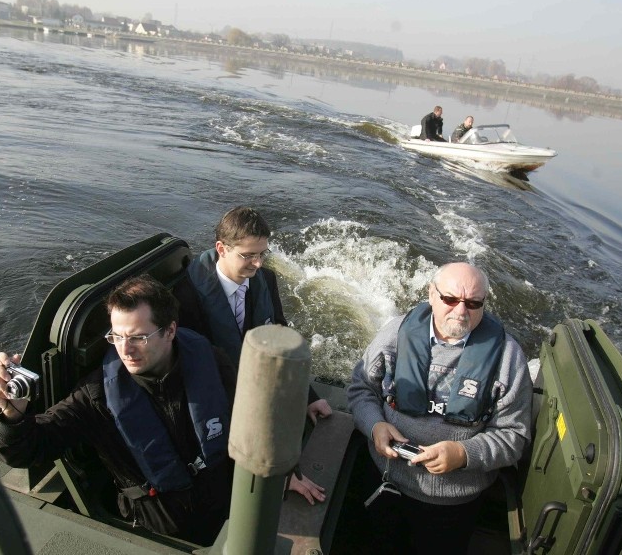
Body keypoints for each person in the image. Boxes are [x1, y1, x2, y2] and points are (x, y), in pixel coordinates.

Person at [0, 275, 237, 545]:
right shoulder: (96, 396)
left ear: (170, 331)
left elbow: (249, 421)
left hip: (225, 507)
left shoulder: (210, 361)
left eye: (138, 337)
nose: (125, 350)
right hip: (162, 531)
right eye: (116, 336)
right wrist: (12, 414)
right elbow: (28, 449)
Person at [346, 262, 532, 554]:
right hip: (384, 480)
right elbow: (361, 389)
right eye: (450, 299)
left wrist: (463, 454)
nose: (461, 311)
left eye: (473, 303)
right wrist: (374, 425)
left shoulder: (508, 359)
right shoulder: (394, 334)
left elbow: (513, 436)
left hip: (452, 506)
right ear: (431, 294)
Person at [173, 206, 332, 504]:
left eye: (263, 254)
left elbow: (280, 341)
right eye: (248, 255)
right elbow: (195, 374)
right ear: (221, 248)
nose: (258, 264)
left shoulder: (266, 281)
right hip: (215, 397)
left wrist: (307, 396)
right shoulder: (187, 296)